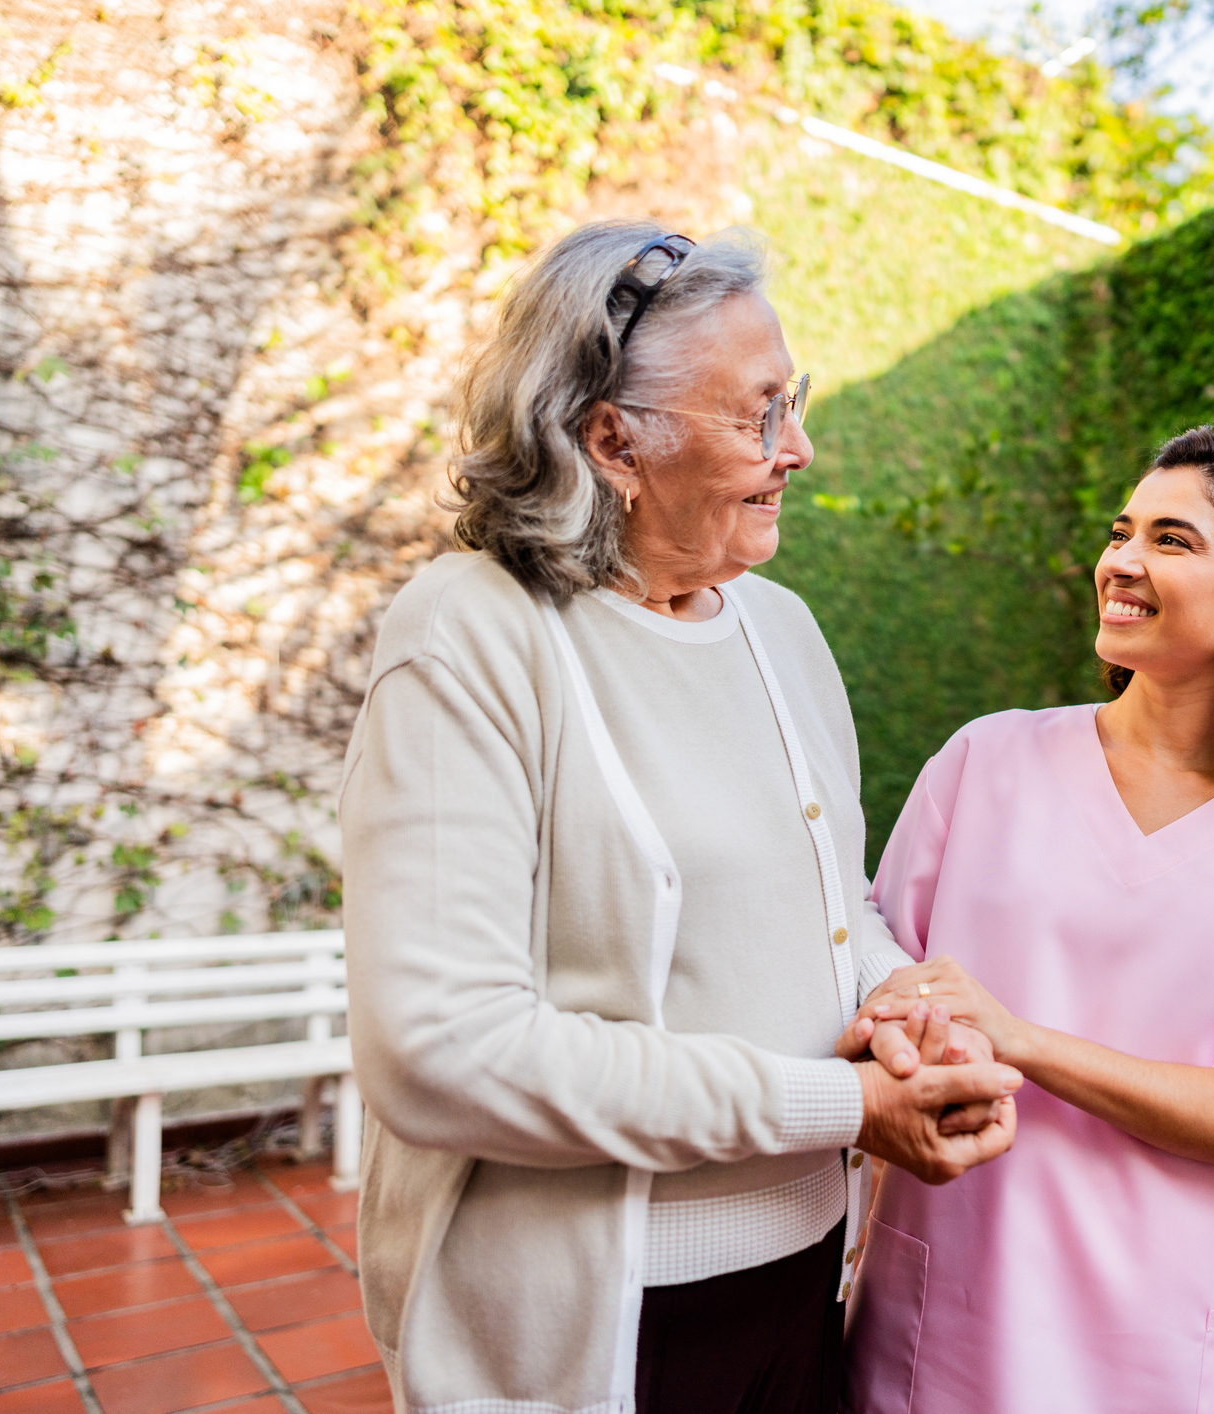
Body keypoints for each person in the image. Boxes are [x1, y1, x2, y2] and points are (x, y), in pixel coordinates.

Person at [338, 221, 1020, 1414]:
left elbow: (820, 907)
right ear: (614, 441)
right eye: (758, 413)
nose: (798, 447)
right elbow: (444, 1052)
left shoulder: (783, 629)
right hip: (602, 1327)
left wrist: (904, 1002)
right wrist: (847, 1106)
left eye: (790, 401)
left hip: (805, 1282)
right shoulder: (470, 634)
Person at [839, 425, 1214, 1414]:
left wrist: (1023, 1041)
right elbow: (880, 976)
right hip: (966, 1291)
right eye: (1121, 531)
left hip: (1177, 1331)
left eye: (1173, 540)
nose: (1122, 561)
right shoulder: (985, 762)